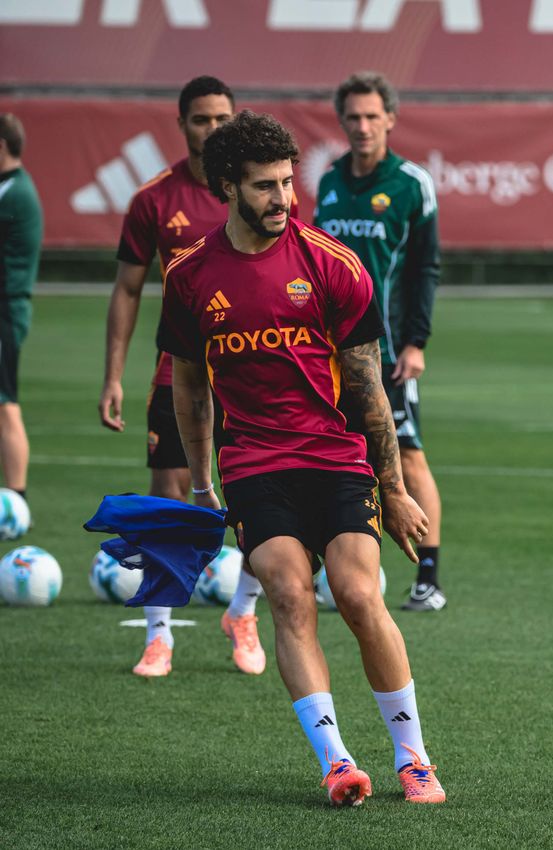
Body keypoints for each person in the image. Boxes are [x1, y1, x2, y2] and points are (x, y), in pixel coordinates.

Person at [159, 110, 444, 807]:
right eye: (263, 186)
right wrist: (201, 484)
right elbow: (190, 387)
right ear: (228, 186)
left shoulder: (332, 266)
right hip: (254, 465)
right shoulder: (190, 276)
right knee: (288, 594)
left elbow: (369, 390)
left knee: (356, 594)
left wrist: (396, 485)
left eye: (288, 182)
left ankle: (414, 761)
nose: (282, 198)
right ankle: (338, 762)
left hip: (336, 459)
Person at [98, 76, 270, 679]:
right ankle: (159, 635)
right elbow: (126, 289)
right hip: (177, 374)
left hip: (250, 373)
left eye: (223, 116)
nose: (214, 127)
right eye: (202, 119)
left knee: (260, 497)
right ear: (183, 124)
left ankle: (242, 614)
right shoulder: (153, 200)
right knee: (171, 497)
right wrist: (114, 375)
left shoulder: (260, 191)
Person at [316, 72, 446, 613]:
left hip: (388, 355)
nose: (363, 126)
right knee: (325, 454)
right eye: (354, 117)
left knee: (408, 457)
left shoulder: (412, 184)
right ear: (342, 121)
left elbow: (426, 269)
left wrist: (416, 343)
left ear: (390, 119)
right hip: (325, 353)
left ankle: (428, 579)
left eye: (373, 116)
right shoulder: (327, 182)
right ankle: (328, 565)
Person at [0, 113, 42, 503]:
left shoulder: (14, 192)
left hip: (5, 311)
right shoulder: (9, 187)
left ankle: (15, 502)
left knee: (5, 403)